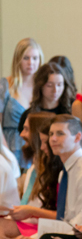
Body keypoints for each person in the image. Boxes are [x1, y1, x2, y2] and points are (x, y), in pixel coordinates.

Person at [0, 38, 43, 168]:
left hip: (36, 150)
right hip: (9, 147)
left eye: (35, 58)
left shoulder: (42, 87)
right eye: (26, 58)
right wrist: (6, 153)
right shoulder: (5, 85)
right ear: (18, 59)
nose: (31, 63)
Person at [16, 62, 74, 133]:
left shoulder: (71, 111)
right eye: (49, 85)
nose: (55, 90)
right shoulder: (29, 115)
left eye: (59, 85)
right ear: (40, 86)